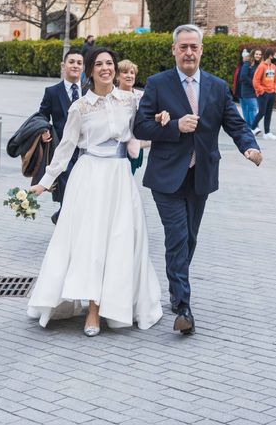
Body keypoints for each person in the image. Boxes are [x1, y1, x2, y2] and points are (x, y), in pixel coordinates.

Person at [133, 24, 262, 336]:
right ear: (174, 51)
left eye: (194, 47)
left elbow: (235, 123)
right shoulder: (158, 84)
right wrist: (175, 125)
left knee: (189, 238)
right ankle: (183, 306)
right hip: (166, 177)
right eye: (183, 47)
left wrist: (250, 146)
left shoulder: (217, 87)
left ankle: (178, 287)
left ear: (201, 50)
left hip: (201, 174)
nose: (188, 52)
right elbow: (140, 128)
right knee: (177, 237)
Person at [27, 47, 164, 336]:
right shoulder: (80, 107)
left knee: (121, 240)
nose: (105, 68)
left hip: (119, 177)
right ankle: (93, 309)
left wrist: (162, 123)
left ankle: (119, 302)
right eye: (99, 64)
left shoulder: (131, 101)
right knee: (89, 242)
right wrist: (45, 180)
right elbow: (65, 148)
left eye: (110, 63)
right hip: (88, 176)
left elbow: (139, 136)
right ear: (90, 71)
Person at [38, 48, 84, 224]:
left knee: (82, 189)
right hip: (64, 150)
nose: (75, 65)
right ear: (63, 65)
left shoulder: (90, 90)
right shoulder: (52, 92)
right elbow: (42, 115)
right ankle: (66, 222)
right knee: (67, 187)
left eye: (79, 63)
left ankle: (62, 216)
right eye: (71, 62)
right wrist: (43, 130)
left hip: (86, 150)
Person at [117, 59, 169, 174]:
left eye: (132, 72)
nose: (129, 75)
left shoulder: (142, 96)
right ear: (117, 76)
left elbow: (151, 116)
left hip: (136, 146)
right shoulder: (112, 96)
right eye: (125, 72)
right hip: (116, 148)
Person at [251, 48, 276, 140]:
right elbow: (256, 80)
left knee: (268, 113)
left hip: (272, 93)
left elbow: (275, 80)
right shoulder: (262, 66)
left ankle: (267, 133)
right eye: (274, 55)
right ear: (270, 56)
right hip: (263, 93)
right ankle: (251, 128)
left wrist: (274, 89)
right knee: (261, 112)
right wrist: (261, 91)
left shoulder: (274, 67)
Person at [239, 49, 262, 128]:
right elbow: (243, 77)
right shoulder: (247, 64)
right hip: (247, 91)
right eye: (257, 54)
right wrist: (254, 83)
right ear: (253, 54)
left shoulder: (260, 65)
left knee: (250, 109)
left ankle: (249, 127)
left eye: (259, 54)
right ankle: (254, 127)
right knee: (253, 108)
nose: (258, 56)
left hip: (256, 91)